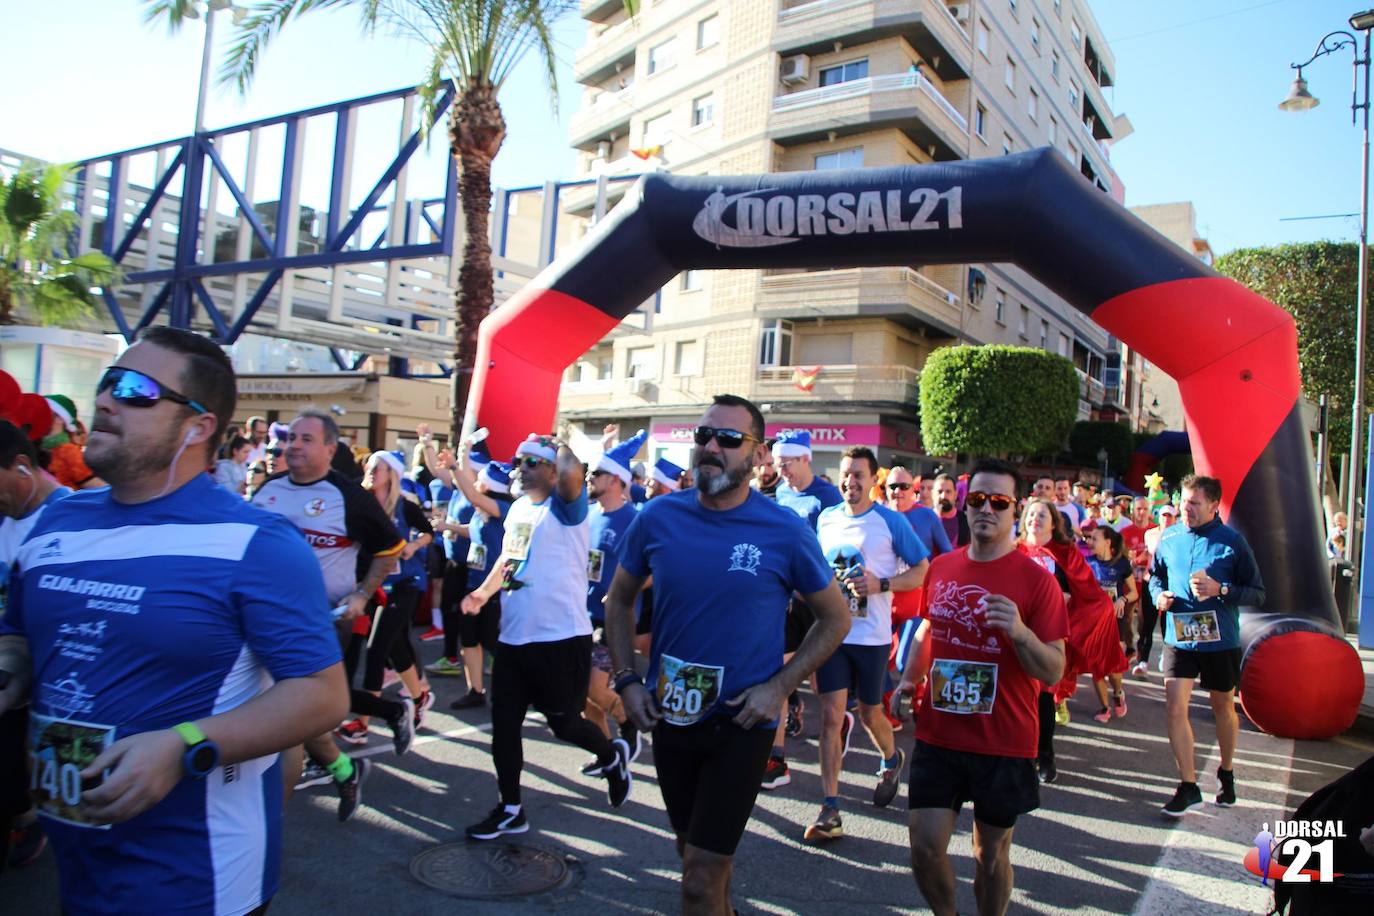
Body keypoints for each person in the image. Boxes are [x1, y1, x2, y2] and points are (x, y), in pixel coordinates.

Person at [0, 327, 347, 915]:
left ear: (197, 425)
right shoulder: (56, 524)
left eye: (135, 389)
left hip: (198, 879)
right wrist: (11, 663)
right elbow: (19, 632)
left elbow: (321, 695)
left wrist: (183, 746)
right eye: (108, 382)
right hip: (80, 867)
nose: (106, 399)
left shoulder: (256, 543)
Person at [604, 394, 850, 915]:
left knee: (698, 877)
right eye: (704, 436)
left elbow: (837, 617)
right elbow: (619, 599)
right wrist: (627, 679)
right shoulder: (657, 517)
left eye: (729, 439)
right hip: (673, 715)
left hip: (743, 721)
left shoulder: (784, 529)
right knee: (691, 852)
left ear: (759, 456)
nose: (712, 447)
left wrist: (780, 688)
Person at [898, 458, 1067, 916]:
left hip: (1004, 741)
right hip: (939, 734)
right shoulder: (943, 567)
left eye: (999, 501)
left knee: (989, 857)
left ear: (1015, 510)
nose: (986, 509)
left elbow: (1053, 670)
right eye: (977, 499)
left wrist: (1020, 632)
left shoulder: (1037, 582)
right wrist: (909, 680)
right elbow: (930, 631)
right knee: (925, 849)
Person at [459, 434, 632, 840]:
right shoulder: (519, 507)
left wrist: (562, 439)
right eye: (519, 461)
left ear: (553, 471)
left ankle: (611, 754)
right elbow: (509, 557)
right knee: (503, 725)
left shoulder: (567, 508)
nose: (521, 468)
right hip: (514, 639)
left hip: (560, 640)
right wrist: (482, 594)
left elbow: (573, 472)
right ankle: (511, 808)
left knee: (563, 724)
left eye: (532, 462)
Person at [251, 408, 411, 820]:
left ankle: (269, 831)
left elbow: (391, 547)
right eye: (291, 439)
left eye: (306, 439)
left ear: (329, 447)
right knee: (299, 718)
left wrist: (361, 593)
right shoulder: (268, 491)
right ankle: (345, 769)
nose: (294, 446)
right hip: (261, 618)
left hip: (318, 621)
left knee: (287, 721)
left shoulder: (349, 496)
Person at [809, 446, 929, 841]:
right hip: (833, 633)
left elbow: (920, 570)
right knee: (830, 716)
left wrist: (881, 584)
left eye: (858, 474)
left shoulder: (890, 523)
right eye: (845, 474)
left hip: (872, 637)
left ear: (872, 480)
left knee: (870, 713)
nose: (850, 481)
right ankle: (830, 808)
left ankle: (891, 758)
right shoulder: (826, 519)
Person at [1150, 474, 1264, 817]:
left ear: (1214, 505)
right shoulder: (1169, 537)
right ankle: (1188, 785)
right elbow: (1155, 576)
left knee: (1222, 708)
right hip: (1179, 636)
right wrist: (1159, 596)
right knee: (1174, 707)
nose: (1187, 510)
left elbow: (1258, 592)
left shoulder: (1233, 542)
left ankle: (1226, 772)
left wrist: (1222, 590)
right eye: (1184, 502)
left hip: (1220, 639)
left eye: (1195, 504)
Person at [0, 421, 72, 872]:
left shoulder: (73, 517)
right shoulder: (6, 513)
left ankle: (30, 816)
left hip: (49, 684)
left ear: (23, 466)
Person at [334, 450, 436, 744]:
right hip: (377, 586)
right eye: (369, 465)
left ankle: (362, 723)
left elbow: (428, 531)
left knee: (377, 648)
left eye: (377, 467)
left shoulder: (404, 507)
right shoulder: (360, 505)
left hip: (406, 583)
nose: (370, 470)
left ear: (390, 474)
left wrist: (413, 547)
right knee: (396, 648)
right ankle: (419, 697)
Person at [766, 429, 843, 787]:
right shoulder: (780, 493)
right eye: (778, 463)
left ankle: (841, 719)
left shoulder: (827, 498)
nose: (782, 471)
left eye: (787, 463)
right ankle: (776, 759)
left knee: (818, 679)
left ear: (806, 458)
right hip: (786, 601)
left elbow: (836, 549)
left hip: (817, 601)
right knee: (777, 674)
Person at [582, 430, 647, 765]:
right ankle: (606, 754)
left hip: (614, 618)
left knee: (595, 689)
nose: (590, 479)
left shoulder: (635, 520)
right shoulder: (589, 515)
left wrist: (624, 591)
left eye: (597, 474)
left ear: (617, 480)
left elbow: (654, 570)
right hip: (582, 615)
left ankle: (630, 723)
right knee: (584, 699)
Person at [1085, 525, 1137, 723]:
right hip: (1095, 622)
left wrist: (1122, 600)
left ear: (1108, 542)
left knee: (1113, 668)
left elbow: (1134, 592)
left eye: (1094, 539)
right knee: (1096, 666)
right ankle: (1105, 707)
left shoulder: (1121, 564)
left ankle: (1117, 692)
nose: (1090, 542)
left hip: (1115, 623)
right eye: (1089, 538)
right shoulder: (1087, 562)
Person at [1137, 503, 1179, 674]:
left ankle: (1165, 655)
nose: (1166, 519)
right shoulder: (1150, 534)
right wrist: (1137, 560)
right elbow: (1147, 553)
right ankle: (1142, 661)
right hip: (1151, 580)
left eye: (1170, 516)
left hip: (1171, 582)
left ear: (1175, 518)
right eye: (1164, 515)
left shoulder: (1179, 534)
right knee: (1146, 622)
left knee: (1167, 623)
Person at [40, 394, 105, 490]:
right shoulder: (37, 447)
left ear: (60, 419)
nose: (39, 415)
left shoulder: (69, 451)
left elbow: (100, 489)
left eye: (44, 411)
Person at [886, 465, 953, 557]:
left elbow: (947, 553)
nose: (897, 491)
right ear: (886, 489)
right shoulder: (879, 516)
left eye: (904, 486)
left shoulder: (928, 515)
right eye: (893, 486)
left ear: (912, 489)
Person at [934, 473, 970, 548]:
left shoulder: (967, 522)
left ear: (955, 494)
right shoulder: (923, 518)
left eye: (948, 492)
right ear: (933, 494)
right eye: (940, 492)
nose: (943, 496)